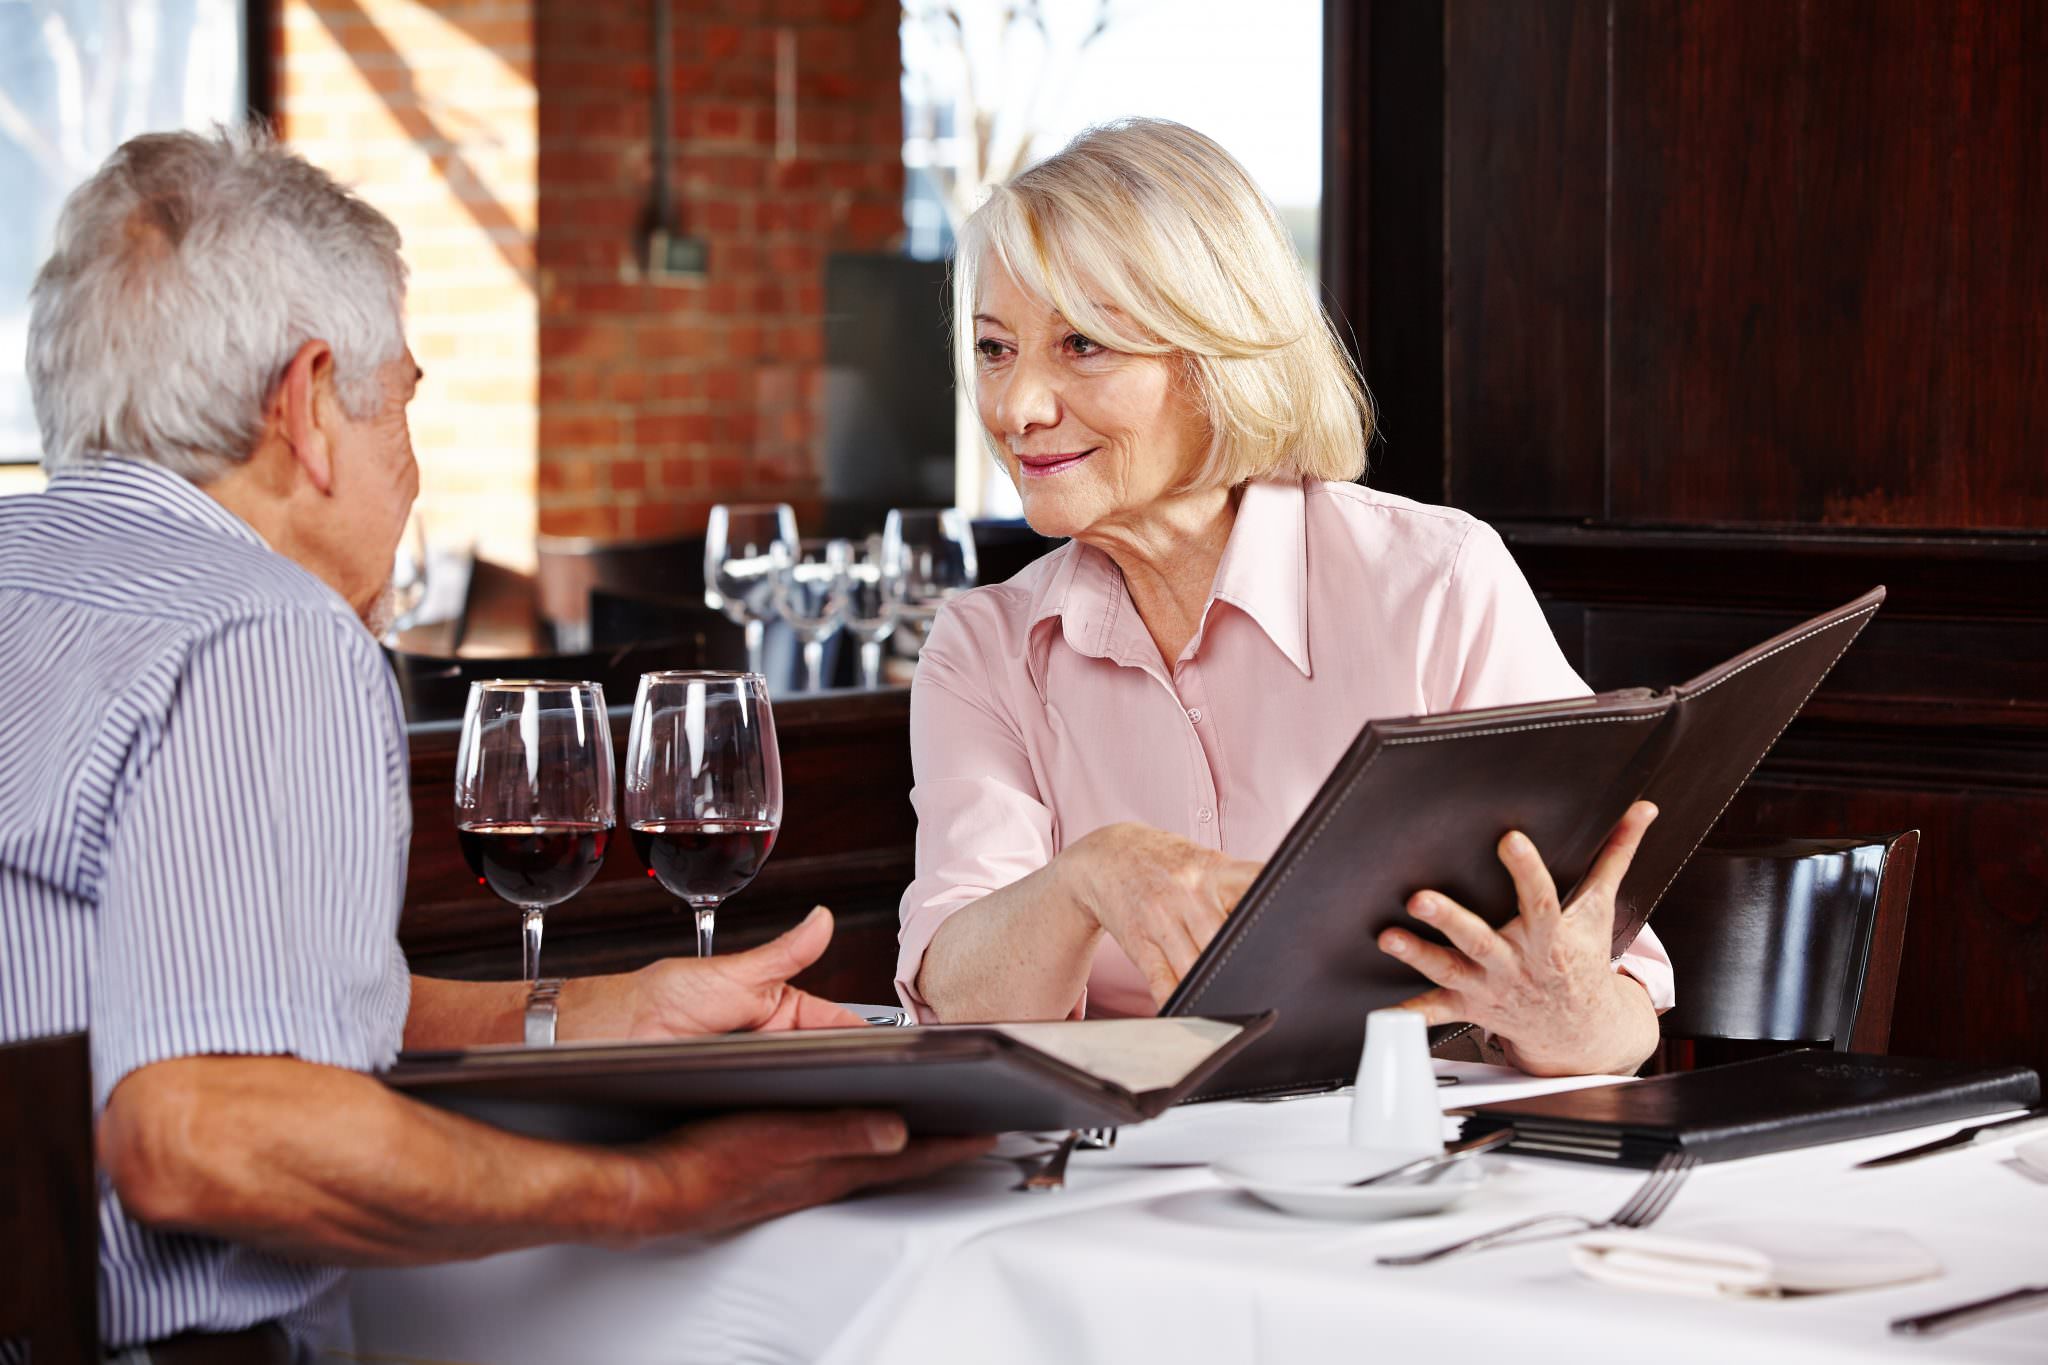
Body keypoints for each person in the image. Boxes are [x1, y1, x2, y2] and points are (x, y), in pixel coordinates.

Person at [0, 127, 983, 1364]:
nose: (411, 474)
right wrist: (659, 1196)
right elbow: (201, 1133)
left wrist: (593, 1009)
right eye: (403, 405)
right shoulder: (260, 630)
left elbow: (203, 996)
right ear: (307, 403)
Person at [895, 119, 1671, 1078]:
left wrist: (1559, 1004)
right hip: (1116, 1178)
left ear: (1215, 356)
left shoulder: (1434, 584)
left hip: (1404, 1169)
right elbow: (957, 1005)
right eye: (996, 348)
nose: (1016, 408)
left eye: (1082, 344)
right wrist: (1092, 873)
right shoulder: (984, 649)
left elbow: (1618, 1022)